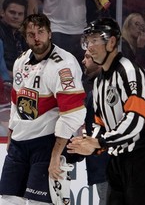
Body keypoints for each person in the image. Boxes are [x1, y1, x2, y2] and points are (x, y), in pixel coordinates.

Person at [67, 17, 145, 205]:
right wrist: (88, 143)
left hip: (143, 157)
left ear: (112, 42)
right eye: (87, 41)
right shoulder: (98, 82)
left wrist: (99, 142)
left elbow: (136, 120)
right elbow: (99, 122)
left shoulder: (130, 71)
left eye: (94, 40)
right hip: (116, 158)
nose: (89, 46)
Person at [0, 13, 86, 204]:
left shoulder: (64, 65)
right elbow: (16, 100)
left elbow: (72, 114)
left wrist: (56, 155)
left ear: (50, 33)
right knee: (7, 201)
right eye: (31, 34)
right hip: (19, 145)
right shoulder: (21, 61)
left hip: (47, 144)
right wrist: (12, 133)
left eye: (41, 32)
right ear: (25, 37)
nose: (36, 38)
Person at [28, 0, 87, 66]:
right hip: (55, 27)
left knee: (79, 72)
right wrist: (32, 27)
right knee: (55, 70)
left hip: (80, 29)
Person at [81, 50, 110, 205]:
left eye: (88, 57)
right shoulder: (96, 90)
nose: (83, 61)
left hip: (111, 168)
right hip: (105, 167)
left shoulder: (107, 90)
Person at [0, 0, 28, 76]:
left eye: (20, 14)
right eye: (12, 12)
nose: (16, 17)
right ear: (2, 12)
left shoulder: (24, 35)